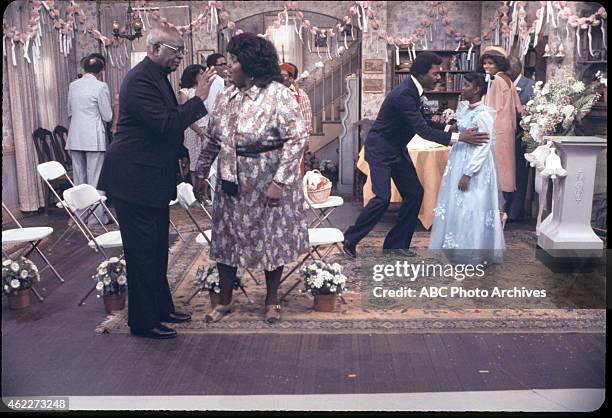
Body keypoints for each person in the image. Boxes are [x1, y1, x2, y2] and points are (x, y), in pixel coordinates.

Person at [97, 26, 217, 339]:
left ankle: (161, 308)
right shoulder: (139, 80)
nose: (180, 56)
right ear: (154, 48)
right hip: (133, 179)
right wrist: (200, 98)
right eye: (175, 50)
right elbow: (165, 124)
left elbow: (168, 119)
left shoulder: (156, 77)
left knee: (157, 249)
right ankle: (142, 321)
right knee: (142, 254)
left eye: (182, 50)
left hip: (148, 177)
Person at [194, 32, 309, 324]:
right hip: (231, 178)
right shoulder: (226, 95)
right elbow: (213, 136)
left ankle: (271, 301)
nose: (227, 66)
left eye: (233, 60)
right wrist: (201, 169)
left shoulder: (278, 94)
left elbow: (297, 138)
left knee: (269, 239)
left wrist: (279, 182)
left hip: (267, 178)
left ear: (251, 63)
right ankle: (224, 301)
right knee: (226, 238)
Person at [342, 52, 490, 258]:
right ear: (421, 73)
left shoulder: (413, 90)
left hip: (396, 149)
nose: (439, 77)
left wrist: (449, 128)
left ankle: (395, 245)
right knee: (382, 198)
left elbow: (423, 121)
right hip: (380, 150)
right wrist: (460, 137)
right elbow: (423, 130)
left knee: (414, 193)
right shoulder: (404, 94)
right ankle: (350, 238)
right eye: (435, 73)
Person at [429, 72, 505, 264]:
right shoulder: (464, 109)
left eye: (467, 85)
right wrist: (453, 130)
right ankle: (455, 245)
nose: (462, 89)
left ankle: (472, 250)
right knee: (457, 204)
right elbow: (458, 128)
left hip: (473, 166)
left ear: (477, 89)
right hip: (458, 160)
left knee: (471, 206)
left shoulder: (483, 114)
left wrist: (468, 173)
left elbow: (484, 145)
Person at [66, 53, 113, 226]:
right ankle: (95, 218)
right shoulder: (101, 86)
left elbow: (70, 111)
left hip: (75, 137)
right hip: (94, 138)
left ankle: (80, 217)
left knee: (79, 182)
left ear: (84, 68)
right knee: (95, 181)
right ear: (101, 70)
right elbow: (107, 116)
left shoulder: (73, 85)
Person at [480, 46, 523, 223]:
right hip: (507, 130)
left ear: (498, 64)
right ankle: (500, 211)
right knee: (504, 170)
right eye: (484, 63)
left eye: (490, 63)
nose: (486, 66)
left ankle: (496, 213)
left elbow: (490, 109)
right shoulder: (508, 79)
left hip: (496, 130)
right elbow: (517, 108)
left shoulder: (496, 80)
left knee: (495, 170)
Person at [505, 55, 536, 222]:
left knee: (519, 175)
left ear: (517, 68)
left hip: (521, 138)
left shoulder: (530, 86)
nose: (506, 72)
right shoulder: (503, 84)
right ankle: (504, 208)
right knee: (505, 174)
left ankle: (515, 213)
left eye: (508, 68)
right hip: (504, 137)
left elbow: (534, 112)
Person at [203, 53, 230, 202]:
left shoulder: (219, 80)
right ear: (213, 67)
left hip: (219, 129)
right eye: (222, 64)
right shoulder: (216, 81)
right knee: (216, 167)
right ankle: (215, 200)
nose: (225, 66)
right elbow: (215, 108)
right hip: (218, 129)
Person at [178, 64, 209, 185]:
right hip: (193, 130)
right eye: (200, 73)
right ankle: (195, 192)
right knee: (195, 163)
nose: (203, 76)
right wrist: (200, 132)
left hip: (206, 127)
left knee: (206, 163)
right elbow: (186, 114)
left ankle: (206, 193)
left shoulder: (205, 89)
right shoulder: (185, 91)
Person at [281, 62, 313, 177]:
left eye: (283, 75)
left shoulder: (301, 95)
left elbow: (307, 121)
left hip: (295, 145)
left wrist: (306, 142)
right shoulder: (272, 94)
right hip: (277, 146)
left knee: (294, 177)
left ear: (291, 79)